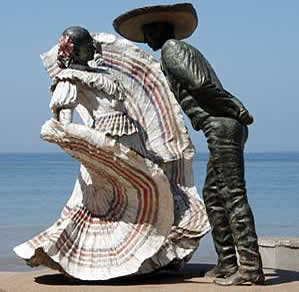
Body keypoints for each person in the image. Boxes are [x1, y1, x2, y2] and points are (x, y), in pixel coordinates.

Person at [14, 26, 210, 280]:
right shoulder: (68, 78)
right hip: (105, 145)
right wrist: (88, 146)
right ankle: (103, 262)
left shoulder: (101, 73)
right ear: (75, 50)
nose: (93, 47)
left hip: (132, 140)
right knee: (111, 203)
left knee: (151, 197)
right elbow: (63, 120)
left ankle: (153, 258)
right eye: (87, 44)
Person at [113, 3, 264, 286]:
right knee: (213, 197)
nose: (146, 39)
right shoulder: (171, 54)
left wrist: (236, 108)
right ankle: (227, 263)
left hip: (222, 126)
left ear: (162, 29)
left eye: (149, 31)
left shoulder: (172, 49)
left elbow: (201, 84)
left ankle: (251, 268)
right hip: (220, 128)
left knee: (233, 196)